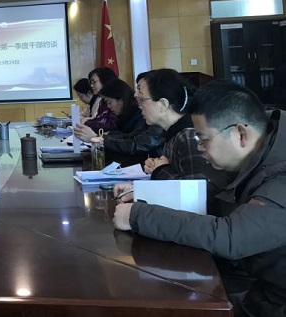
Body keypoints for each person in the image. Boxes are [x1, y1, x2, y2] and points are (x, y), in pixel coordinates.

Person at [113, 80, 286, 317]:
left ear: (240, 134)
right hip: (262, 294)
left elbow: (231, 236)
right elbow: (210, 199)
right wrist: (147, 195)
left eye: (203, 139)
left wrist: (138, 216)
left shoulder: (280, 173)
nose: (200, 148)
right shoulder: (258, 155)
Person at [74, 74, 163, 158]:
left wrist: (96, 138)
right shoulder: (130, 114)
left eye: (139, 89)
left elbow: (136, 145)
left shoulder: (153, 119)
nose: (136, 95)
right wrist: (100, 136)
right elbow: (130, 136)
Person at [73, 78, 145, 141]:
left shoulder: (140, 115)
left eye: (109, 102)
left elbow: (131, 140)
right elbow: (121, 133)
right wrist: (109, 134)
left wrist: (96, 137)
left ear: (121, 100)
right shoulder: (125, 114)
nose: (108, 107)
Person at [82, 67, 118, 131]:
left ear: (105, 80)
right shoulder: (102, 101)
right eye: (91, 83)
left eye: (94, 82)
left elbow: (111, 126)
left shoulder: (116, 99)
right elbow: (98, 120)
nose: (91, 86)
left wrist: (86, 122)